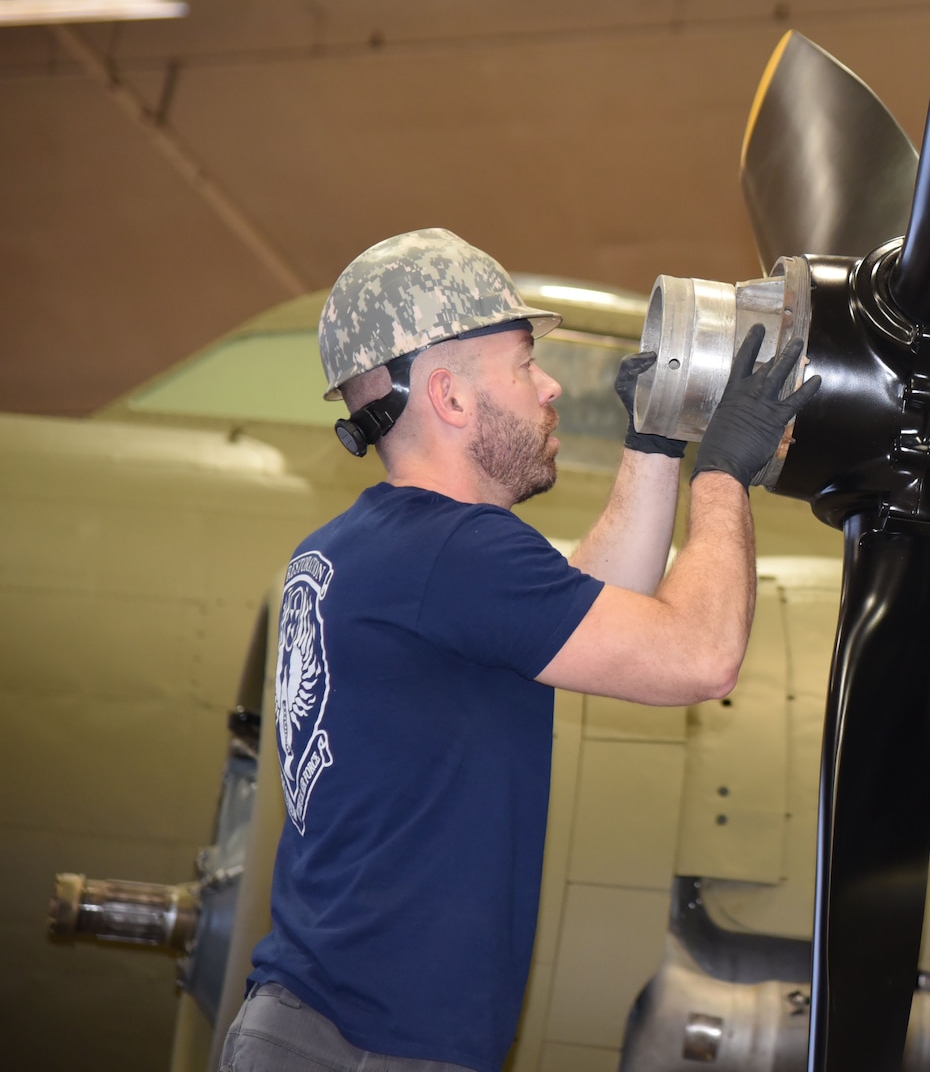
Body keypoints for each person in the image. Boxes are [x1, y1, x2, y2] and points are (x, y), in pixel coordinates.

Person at [220, 228, 817, 1072]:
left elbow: (591, 604)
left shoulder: (368, 549)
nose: (547, 388)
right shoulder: (448, 554)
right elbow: (699, 655)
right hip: (368, 1052)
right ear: (451, 397)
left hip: (324, 1038)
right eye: (524, 361)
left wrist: (655, 442)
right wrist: (724, 473)